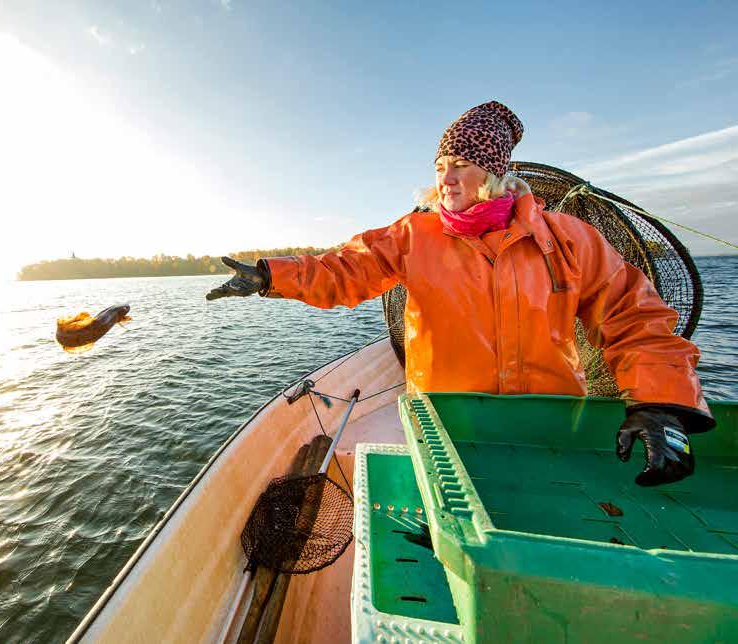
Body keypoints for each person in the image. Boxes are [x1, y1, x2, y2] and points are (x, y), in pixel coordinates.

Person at [205, 100, 715, 487]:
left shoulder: (567, 237)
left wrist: (661, 402)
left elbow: (634, 315)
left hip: (552, 422)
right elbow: (342, 270)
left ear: (494, 171)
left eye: (459, 164)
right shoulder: (413, 235)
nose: (445, 178)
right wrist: (273, 276)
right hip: (446, 425)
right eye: (439, 166)